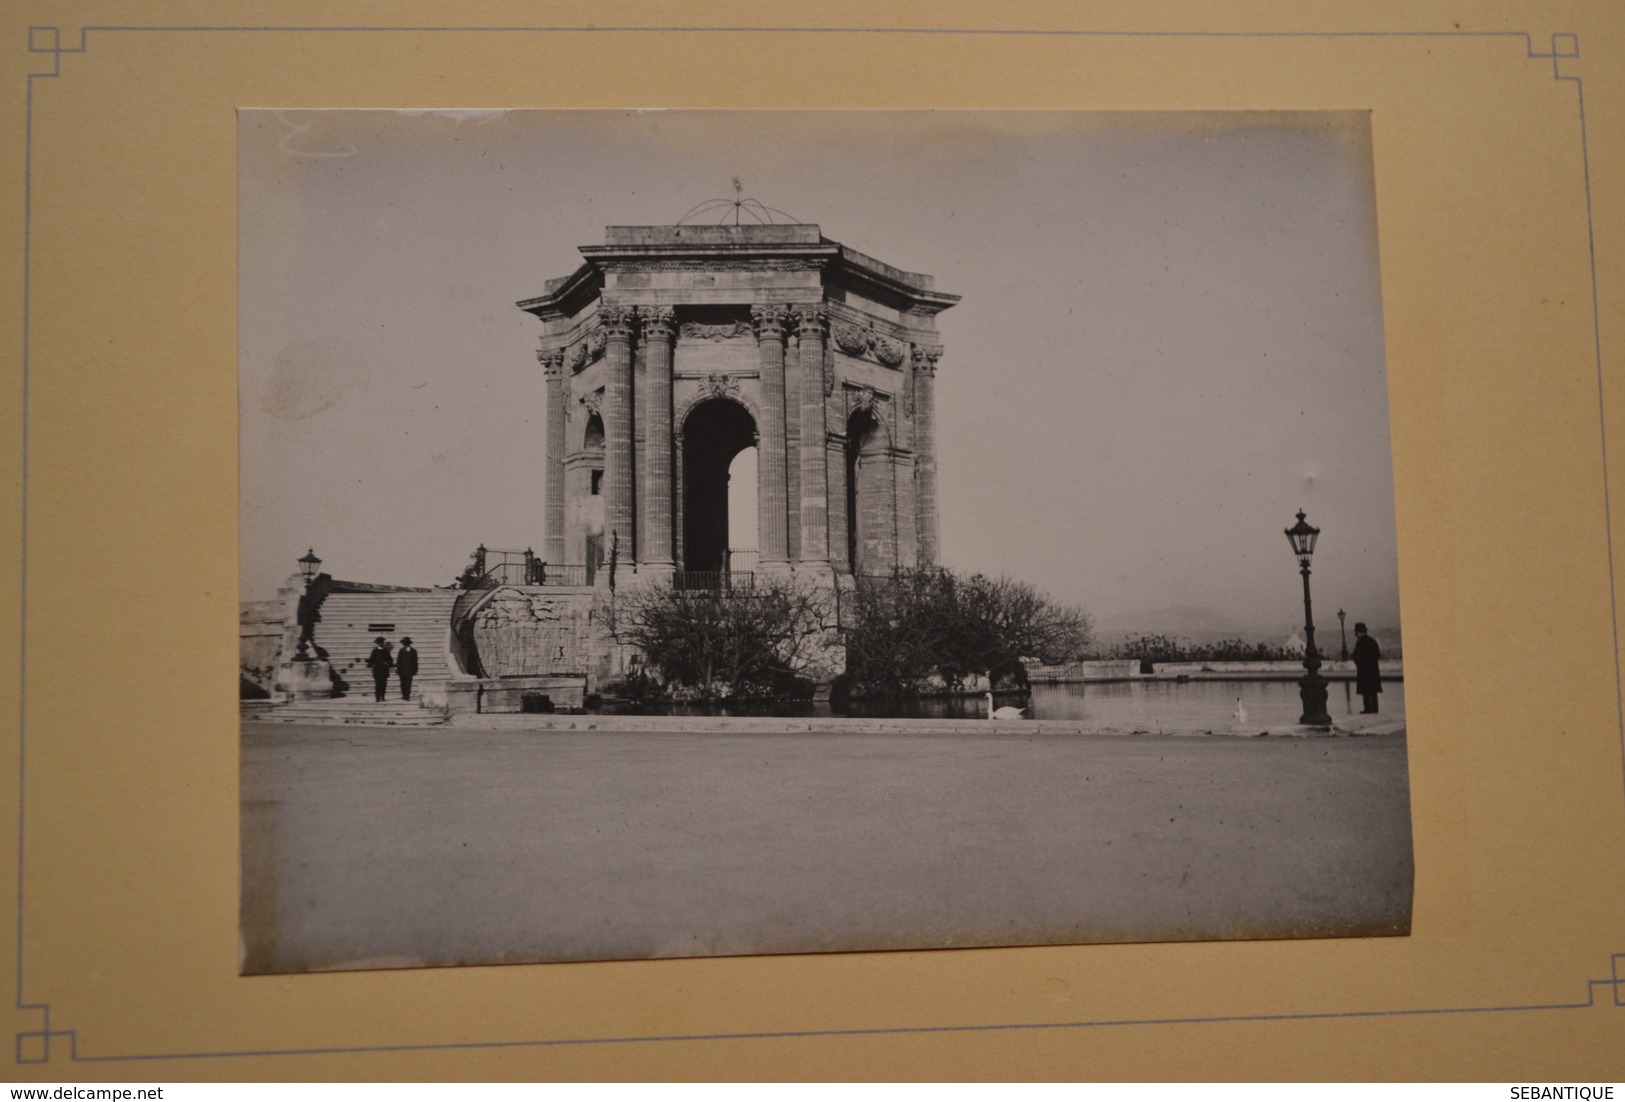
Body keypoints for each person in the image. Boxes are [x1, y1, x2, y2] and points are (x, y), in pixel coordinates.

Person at [1351, 622, 1382, 714]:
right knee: (1373, 691)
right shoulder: (1372, 641)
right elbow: (1377, 654)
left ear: (1358, 632)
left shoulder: (1360, 643)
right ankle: (1375, 709)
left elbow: (1355, 655)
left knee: (1365, 691)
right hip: (1373, 670)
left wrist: (1359, 662)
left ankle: (1367, 709)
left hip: (1364, 671)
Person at [365, 636, 394, 703]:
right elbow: (371, 659)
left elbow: (390, 659)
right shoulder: (374, 651)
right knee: (377, 684)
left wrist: (388, 663)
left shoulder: (386, 650)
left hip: (384, 670)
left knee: (383, 684)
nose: (380, 644)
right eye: (378, 643)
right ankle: (377, 697)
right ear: (377, 643)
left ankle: (383, 696)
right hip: (377, 670)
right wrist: (369, 664)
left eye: (381, 642)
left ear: (383, 643)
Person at [396, 636, 419, 701]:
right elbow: (398, 660)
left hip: (410, 670)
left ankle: (407, 696)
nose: (404, 645)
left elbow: (415, 661)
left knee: (408, 683)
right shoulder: (401, 651)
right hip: (402, 670)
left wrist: (415, 670)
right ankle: (403, 695)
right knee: (402, 683)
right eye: (404, 644)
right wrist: (398, 669)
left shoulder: (413, 651)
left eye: (405, 644)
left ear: (408, 644)